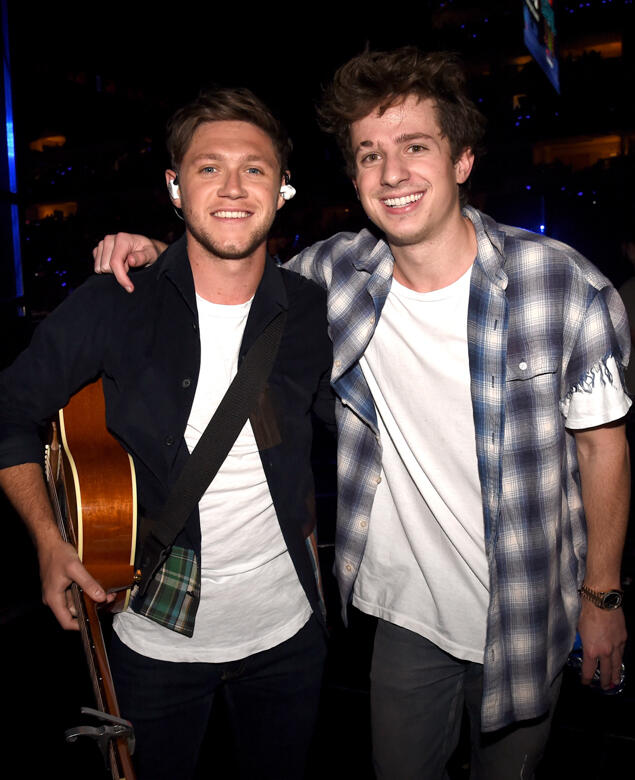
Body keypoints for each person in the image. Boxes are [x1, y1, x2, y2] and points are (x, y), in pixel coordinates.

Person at [93, 48, 631, 779]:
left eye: (416, 147)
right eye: (370, 155)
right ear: (354, 179)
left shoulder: (564, 287)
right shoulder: (334, 277)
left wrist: (602, 598)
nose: (392, 173)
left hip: (528, 608)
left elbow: (602, 448)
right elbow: (232, 280)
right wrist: (156, 251)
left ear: (462, 160)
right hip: (405, 616)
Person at [0, 87, 334, 780]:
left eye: (254, 169)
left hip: (289, 636)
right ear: (175, 188)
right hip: (154, 645)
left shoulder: (311, 310)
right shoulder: (115, 303)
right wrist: (48, 542)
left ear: (283, 190)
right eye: (209, 168)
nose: (233, 187)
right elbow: (10, 412)